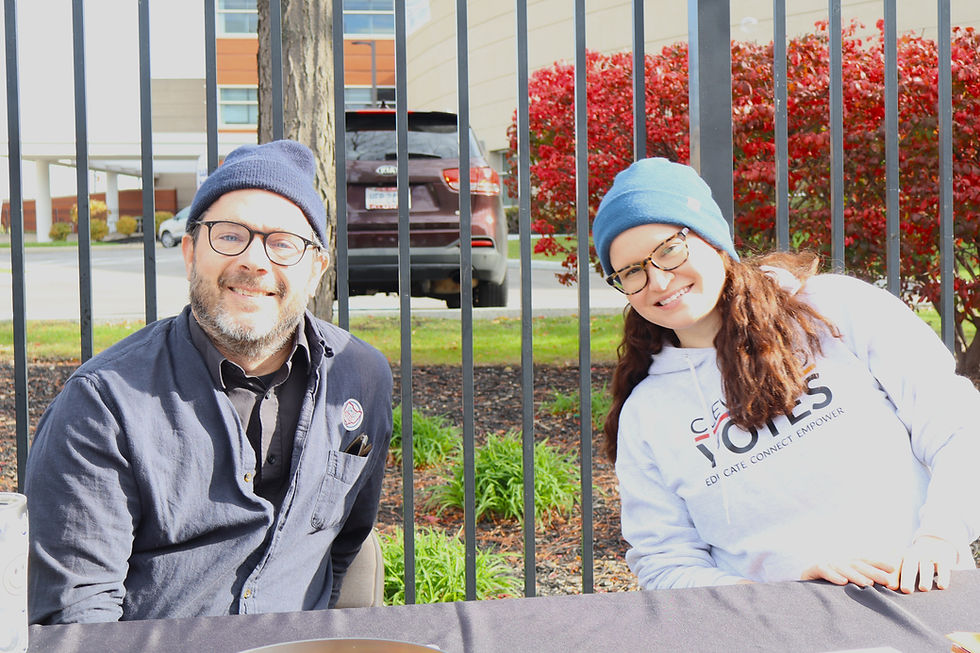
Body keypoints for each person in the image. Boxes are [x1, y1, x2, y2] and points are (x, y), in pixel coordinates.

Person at [25, 140, 393, 623]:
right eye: (229, 235)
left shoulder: (361, 376)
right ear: (190, 250)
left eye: (283, 243)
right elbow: (75, 616)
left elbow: (345, 538)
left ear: (316, 270)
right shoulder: (103, 404)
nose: (255, 261)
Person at [592, 157, 980, 593]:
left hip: (926, 596)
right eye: (631, 272)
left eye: (669, 249)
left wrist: (938, 540)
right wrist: (786, 589)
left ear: (713, 238)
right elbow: (665, 563)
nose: (658, 282)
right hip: (780, 631)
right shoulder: (648, 413)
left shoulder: (834, 311)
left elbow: (959, 429)